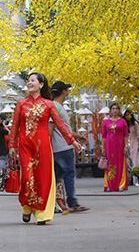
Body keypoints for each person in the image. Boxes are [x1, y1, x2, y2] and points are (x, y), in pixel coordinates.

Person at [8, 73, 80, 225]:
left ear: (41, 85)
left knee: (43, 178)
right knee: (27, 178)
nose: (29, 83)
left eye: (33, 80)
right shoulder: (21, 103)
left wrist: (72, 141)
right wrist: (12, 146)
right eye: (28, 80)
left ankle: (42, 214)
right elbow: (15, 126)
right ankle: (27, 208)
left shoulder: (48, 104)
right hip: (26, 146)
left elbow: (60, 124)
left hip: (43, 147)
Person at [49, 81, 89, 213]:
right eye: (67, 89)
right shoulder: (55, 107)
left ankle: (53, 204)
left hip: (59, 147)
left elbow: (64, 129)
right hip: (63, 148)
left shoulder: (57, 106)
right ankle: (72, 202)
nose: (68, 92)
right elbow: (51, 127)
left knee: (56, 176)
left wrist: (77, 136)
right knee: (69, 174)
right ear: (63, 91)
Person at [101, 103, 129, 192]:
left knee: (120, 163)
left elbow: (125, 135)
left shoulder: (123, 121)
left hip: (120, 145)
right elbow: (104, 136)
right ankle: (109, 185)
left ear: (119, 110)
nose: (115, 110)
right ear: (110, 110)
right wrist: (102, 148)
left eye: (116, 108)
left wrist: (126, 146)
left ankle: (121, 184)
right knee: (109, 163)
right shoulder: (106, 122)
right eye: (113, 108)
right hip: (109, 145)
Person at [124, 110, 139, 186]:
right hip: (129, 143)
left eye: (129, 115)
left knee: (135, 161)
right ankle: (130, 179)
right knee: (129, 161)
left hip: (136, 143)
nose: (128, 116)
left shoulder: (135, 124)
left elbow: (138, 135)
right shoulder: (125, 124)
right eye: (126, 115)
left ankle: (136, 180)